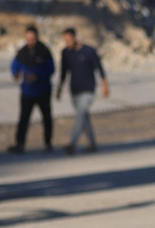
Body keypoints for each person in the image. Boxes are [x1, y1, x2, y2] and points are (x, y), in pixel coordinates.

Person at [56, 28, 110, 154]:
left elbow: (99, 68)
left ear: (75, 38)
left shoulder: (89, 51)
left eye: (69, 40)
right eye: (65, 41)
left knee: (80, 115)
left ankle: (72, 144)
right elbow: (64, 72)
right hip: (74, 90)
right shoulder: (65, 53)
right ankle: (92, 143)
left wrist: (105, 85)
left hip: (88, 90)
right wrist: (59, 89)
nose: (68, 43)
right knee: (84, 117)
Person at [7, 25, 55, 154]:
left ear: (37, 37)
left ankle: (48, 142)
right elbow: (14, 67)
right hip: (27, 91)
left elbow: (51, 69)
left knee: (46, 117)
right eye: (28, 39)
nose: (30, 41)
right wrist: (16, 74)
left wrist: (37, 76)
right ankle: (20, 144)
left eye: (32, 39)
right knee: (24, 118)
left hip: (43, 90)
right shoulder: (22, 52)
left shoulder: (44, 51)